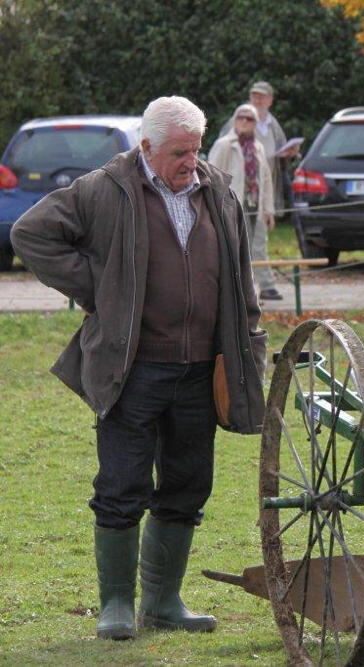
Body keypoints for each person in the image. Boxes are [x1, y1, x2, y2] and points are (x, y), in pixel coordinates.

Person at [11, 96, 267, 641]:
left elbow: (241, 276)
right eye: (179, 152)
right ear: (146, 147)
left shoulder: (217, 188)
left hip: (202, 369)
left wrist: (250, 342)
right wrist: (98, 288)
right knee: (122, 486)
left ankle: (163, 602)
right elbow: (31, 234)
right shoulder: (103, 188)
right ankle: (117, 606)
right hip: (133, 370)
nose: (190, 162)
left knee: (188, 485)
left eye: (195, 150)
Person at [218, 81, 298, 300]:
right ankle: (240, 288)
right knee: (236, 244)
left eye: (262, 97)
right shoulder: (227, 140)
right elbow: (215, 173)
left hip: (258, 198)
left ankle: (264, 285)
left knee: (259, 241)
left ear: (270, 100)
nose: (257, 100)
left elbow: (265, 177)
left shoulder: (270, 128)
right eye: (254, 96)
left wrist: (287, 156)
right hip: (234, 200)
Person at [208, 104, 277, 302]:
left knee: (258, 246)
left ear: (255, 123)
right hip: (232, 205)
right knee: (236, 248)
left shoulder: (258, 147)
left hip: (255, 204)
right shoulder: (225, 144)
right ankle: (240, 292)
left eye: (250, 119)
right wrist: (215, 207)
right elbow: (212, 174)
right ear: (234, 119)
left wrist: (269, 209)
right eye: (241, 117)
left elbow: (265, 179)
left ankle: (259, 288)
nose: (245, 122)